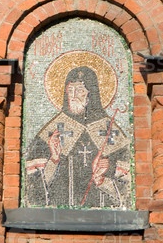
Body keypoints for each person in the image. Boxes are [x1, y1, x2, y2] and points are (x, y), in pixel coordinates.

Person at [25, 66, 131, 208]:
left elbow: (127, 189)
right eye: (70, 90)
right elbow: (32, 188)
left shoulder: (110, 130)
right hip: (57, 215)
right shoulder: (53, 131)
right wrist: (54, 160)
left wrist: (103, 177)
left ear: (91, 94)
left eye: (80, 90)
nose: (73, 96)